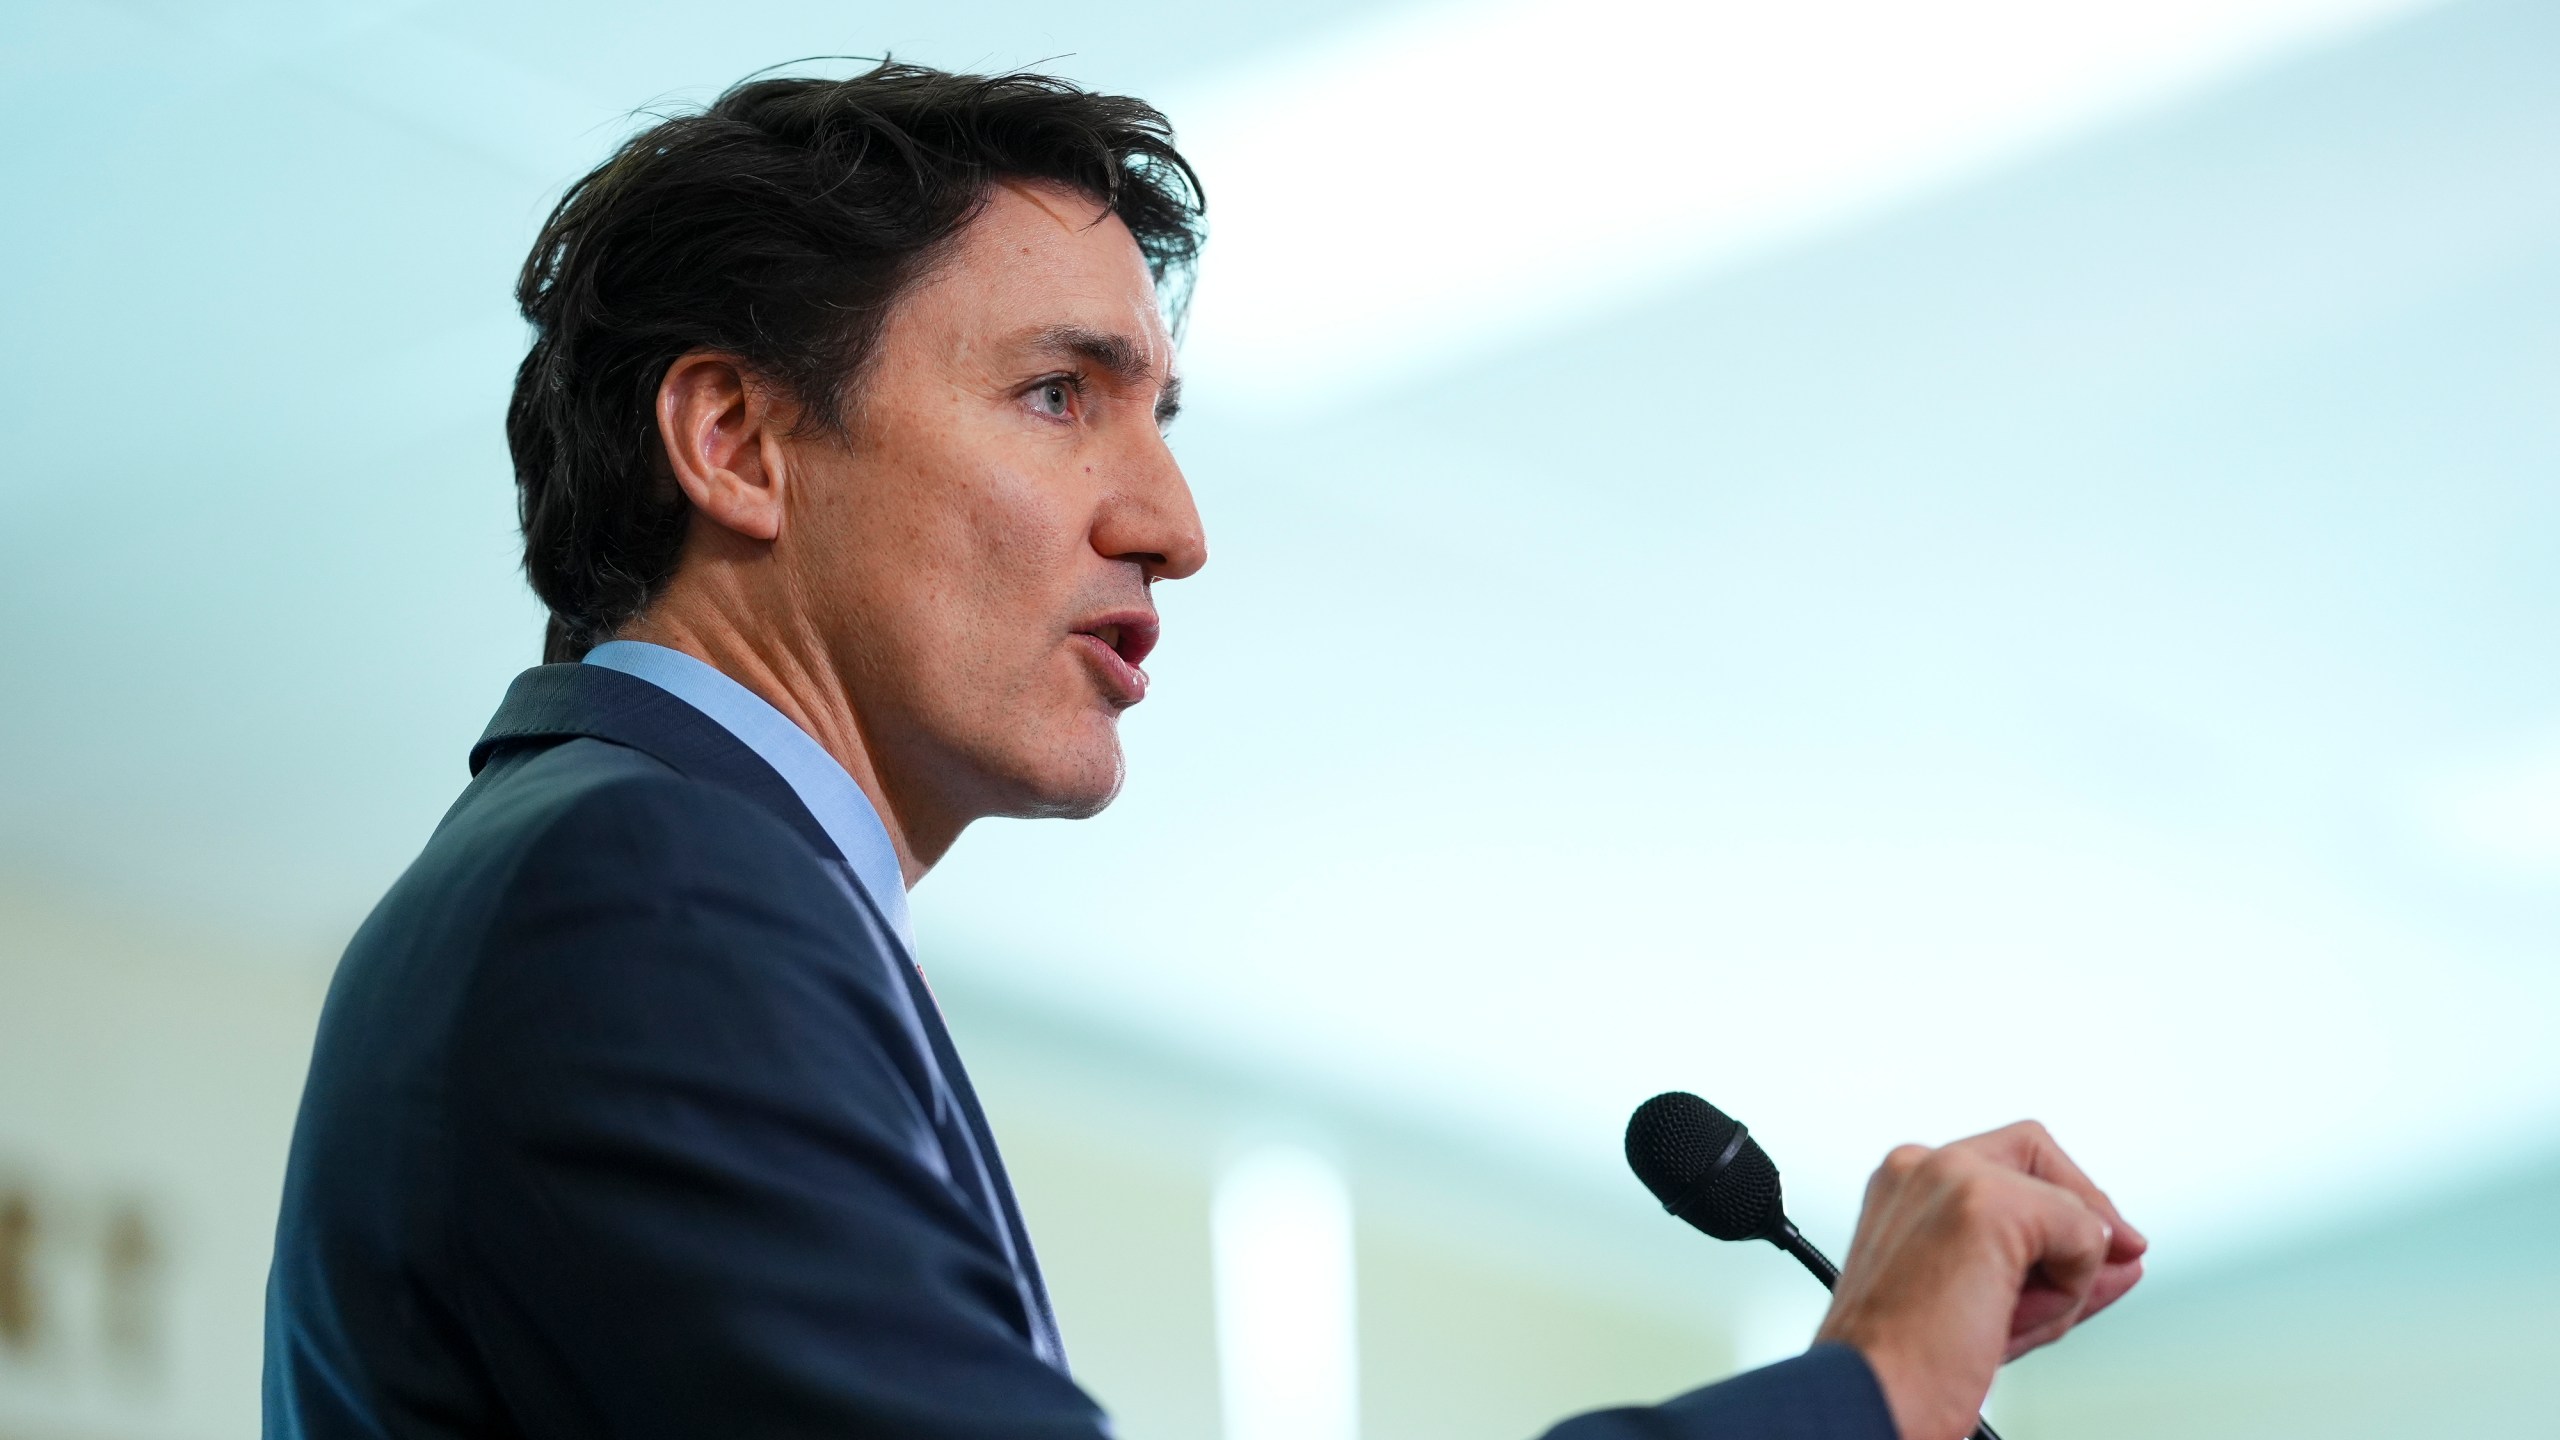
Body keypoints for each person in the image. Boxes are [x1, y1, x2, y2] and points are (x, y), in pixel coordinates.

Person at [263, 63, 2145, 1440]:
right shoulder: (642, 890)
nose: (1171, 520)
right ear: (739, 443)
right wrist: (1868, 1393)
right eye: (1059, 394)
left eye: (1161, 415)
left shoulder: (619, 877)